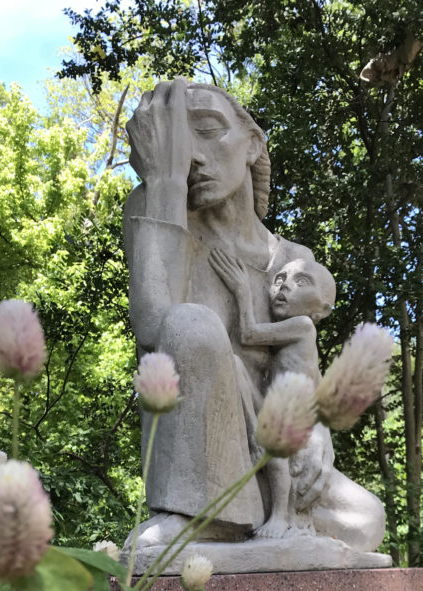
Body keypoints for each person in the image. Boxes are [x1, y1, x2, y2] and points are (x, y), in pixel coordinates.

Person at [123, 79, 385, 556]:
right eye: (180, 143)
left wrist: (317, 429)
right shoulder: (155, 209)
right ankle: (196, 514)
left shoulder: (295, 262)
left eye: (207, 131)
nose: (192, 157)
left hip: (274, 448)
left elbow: (300, 360)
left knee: (365, 521)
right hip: (205, 453)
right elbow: (153, 326)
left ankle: (255, 527)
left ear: (252, 144)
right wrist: (163, 184)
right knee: (188, 324)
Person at [208, 249, 337, 538]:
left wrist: (242, 290)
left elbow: (249, 334)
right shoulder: (294, 332)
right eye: (280, 279)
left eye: (301, 282)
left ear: (322, 310)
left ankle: (280, 516)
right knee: (234, 367)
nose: (285, 286)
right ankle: (254, 434)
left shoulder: (303, 326)